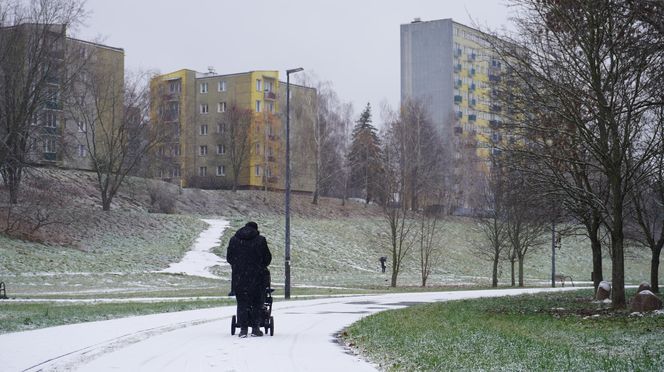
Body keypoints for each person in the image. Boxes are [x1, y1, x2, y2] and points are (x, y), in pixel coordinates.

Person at [226, 221, 272, 338]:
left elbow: (229, 258)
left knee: (242, 303)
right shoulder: (260, 240)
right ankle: (255, 329)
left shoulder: (234, 240)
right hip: (257, 277)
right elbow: (267, 258)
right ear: (256, 229)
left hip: (239, 277)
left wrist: (238, 266)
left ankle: (243, 329)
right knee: (257, 302)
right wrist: (259, 265)